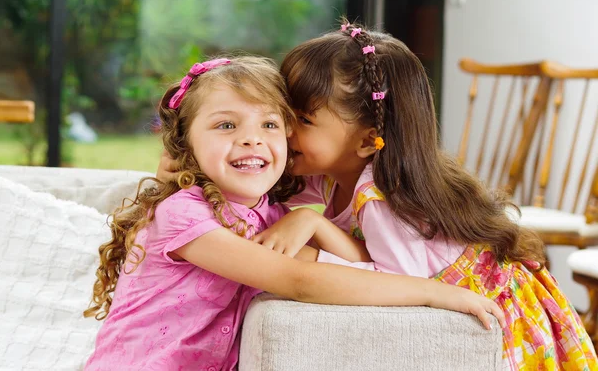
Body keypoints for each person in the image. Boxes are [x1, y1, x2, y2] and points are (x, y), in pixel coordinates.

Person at [158, 22, 597, 369]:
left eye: (302, 121)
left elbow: (392, 285)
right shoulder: (327, 169)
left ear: (367, 141)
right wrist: (185, 165)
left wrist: (314, 228)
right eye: (283, 116)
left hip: (503, 312)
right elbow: (260, 199)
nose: (284, 132)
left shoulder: (382, 201)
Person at [86, 56, 503, 370]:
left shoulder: (272, 216)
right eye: (226, 125)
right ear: (184, 142)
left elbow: (359, 264)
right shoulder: (183, 215)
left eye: (269, 125)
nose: (251, 139)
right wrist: (434, 293)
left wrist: (316, 224)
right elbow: (299, 281)